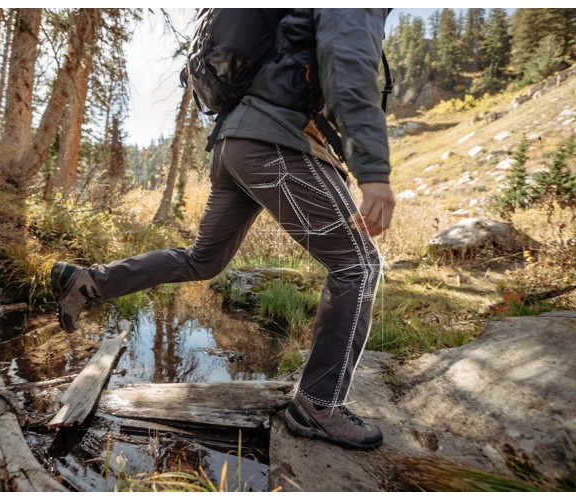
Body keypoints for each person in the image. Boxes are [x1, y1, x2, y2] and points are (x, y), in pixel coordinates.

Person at [51, 8, 395, 450]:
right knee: (358, 266)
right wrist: (373, 172)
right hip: (277, 143)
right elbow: (347, 66)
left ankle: (88, 281)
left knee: (203, 259)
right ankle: (318, 405)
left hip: (234, 144)